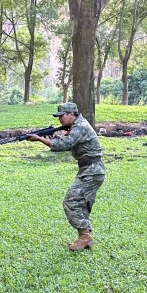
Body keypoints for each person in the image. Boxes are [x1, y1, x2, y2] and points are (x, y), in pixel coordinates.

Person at [26, 102, 105, 251]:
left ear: (71, 114)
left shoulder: (79, 126)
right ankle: (84, 237)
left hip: (93, 170)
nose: (59, 120)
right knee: (78, 201)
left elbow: (63, 145)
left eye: (62, 116)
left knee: (71, 200)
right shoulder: (76, 125)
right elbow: (66, 141)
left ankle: (85, 236)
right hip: (89, 169)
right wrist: (55, 136)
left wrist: (39, 139)